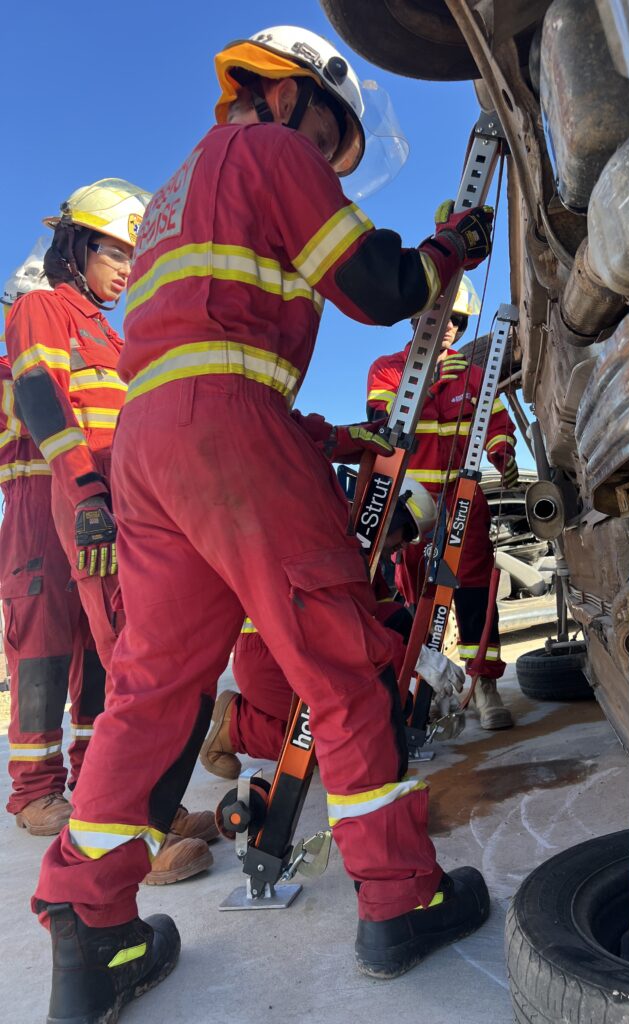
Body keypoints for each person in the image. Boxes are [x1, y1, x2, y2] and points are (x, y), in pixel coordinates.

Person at [31, 25, 495, 1020]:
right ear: (286, 98)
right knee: (342, 657)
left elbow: (208, 347)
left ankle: (92, 928)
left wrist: (324, 433)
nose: (328, 165)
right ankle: (400, 895)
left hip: (157, 449)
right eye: (330, 138)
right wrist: (445, 251)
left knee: (150, 692)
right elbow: (376, 288)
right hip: (225, 435)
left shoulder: (173, 197)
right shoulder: (268, 149)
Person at [5, 185, 217, 885]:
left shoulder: (111, 334)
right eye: (115, 251)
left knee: (116, 656)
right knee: (85, 646)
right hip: (70, 496)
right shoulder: (43, 309)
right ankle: (91, 813)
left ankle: (130, 798)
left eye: (135, 254)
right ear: (75, 247)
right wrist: (89, 491)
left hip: (119, 503)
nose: (128, 268)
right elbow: (41, 398)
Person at [200, 474, 464, 775]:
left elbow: (375, 616)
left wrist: (413, 691)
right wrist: (419, 659)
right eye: (404, 535)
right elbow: (346, 628)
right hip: (273, 658)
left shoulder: (359, 549)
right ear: (391, 516)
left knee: (393, 616)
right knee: (345, 744)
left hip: (295, 646)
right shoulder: (331, 544)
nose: (401, 548)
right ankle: (236, 727)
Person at [367, 274, 519, 729]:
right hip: (411, 505)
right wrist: (430, 384)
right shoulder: (388, 370)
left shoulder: (475, 375)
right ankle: (425, 689)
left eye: (457, 318)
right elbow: (386, 428)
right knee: (419, 597)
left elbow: (497, 425)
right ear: (416, 319)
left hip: (464, 497)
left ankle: (484, 687)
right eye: (441, 315)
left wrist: (502, 452)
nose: (450, 326)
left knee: (474, 591)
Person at [0, 247, 105, 836]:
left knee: (98, 647)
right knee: (40, 654)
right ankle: (35, 792)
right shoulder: (7, 372)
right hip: (35, 518)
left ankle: (97, 779)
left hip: (87, 504)